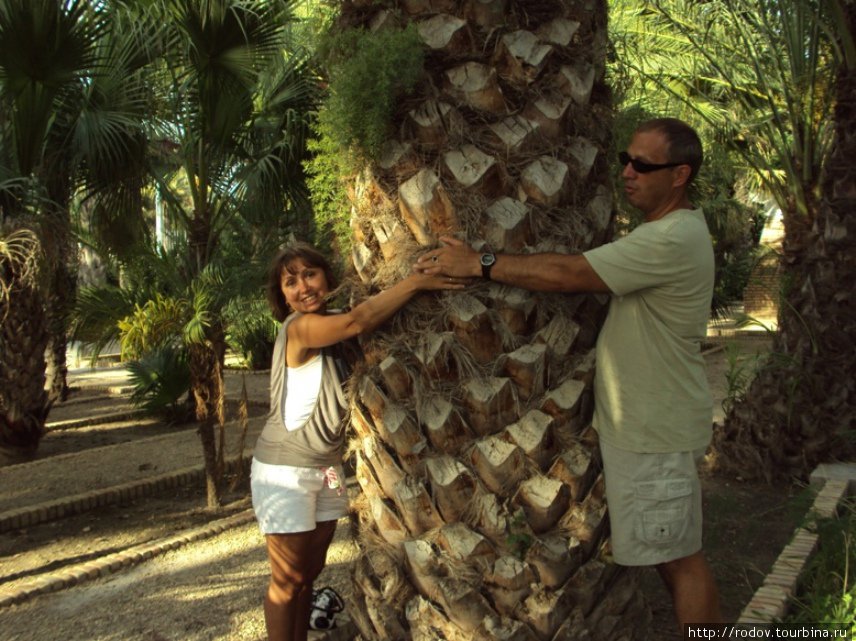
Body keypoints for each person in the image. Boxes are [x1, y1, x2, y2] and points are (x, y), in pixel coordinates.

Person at [416, 118, 722, 634]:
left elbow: (571, 273)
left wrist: (480, 262)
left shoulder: (673, 236)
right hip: (647, 427)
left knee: (679, 559)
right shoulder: (663, 231)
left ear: (680, 175)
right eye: (626, 159)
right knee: (670, 555)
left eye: (644, 165)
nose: (627, 172)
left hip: (657, 431)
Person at [251, 242, 464, 641]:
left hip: (326, 468)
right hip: (285, 471)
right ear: (282, 296)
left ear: (327, 277)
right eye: (290, 282)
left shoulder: (329, 320)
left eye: (310, 274)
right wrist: (416, 282)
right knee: (286, 579)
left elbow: (361, 320)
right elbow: (357, 323)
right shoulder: (299, 328)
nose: (303, 287)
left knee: (307, 574)